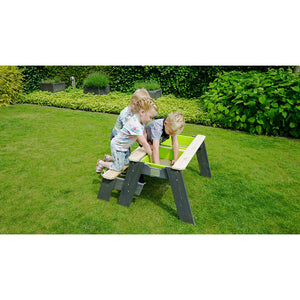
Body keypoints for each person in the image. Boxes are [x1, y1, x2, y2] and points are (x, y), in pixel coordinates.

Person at [96, 97, 158, 173]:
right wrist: (151, 155)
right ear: (142, 112)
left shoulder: (140, 120)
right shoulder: (135, 125)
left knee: (127, 162)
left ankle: (109, 158)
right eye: (150, 117)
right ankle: (101, 163)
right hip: (118, 146)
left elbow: (143, 133)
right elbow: (144, 143)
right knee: (119, 167)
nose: (150, 120)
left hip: (124, 147)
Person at [104, 88, 150, 162]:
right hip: (118, 138)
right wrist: (143, 144)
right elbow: (135, 132)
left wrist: (145, 141)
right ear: (134, 104)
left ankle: (109, 158)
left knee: (125, 157)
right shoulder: (126, 115)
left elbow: (142, 128)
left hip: (126, 138)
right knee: (123, 159)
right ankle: (105, 167)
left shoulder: (138, 113)